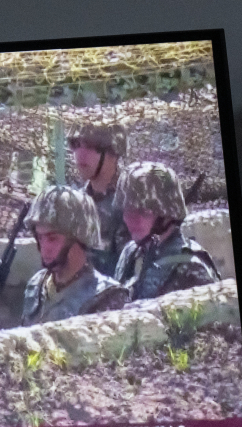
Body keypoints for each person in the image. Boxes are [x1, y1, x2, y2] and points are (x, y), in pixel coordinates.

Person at [21, 186, 129, 325]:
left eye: (53, 238)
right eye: (40, 238)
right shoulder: (36, 285)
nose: (44, 247)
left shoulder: (107, 296)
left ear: (79, 238)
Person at [113, 162, 220, 300]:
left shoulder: (192, 266)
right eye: (127, 210)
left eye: (143, 211)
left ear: (167, 213)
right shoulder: (130, 254)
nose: (130, 219)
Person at [68, 122, 131, 276]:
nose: (80, 154)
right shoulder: (76, 203)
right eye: (76, 145)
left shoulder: (132, 201)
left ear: (113, 153)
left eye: (90, 146)